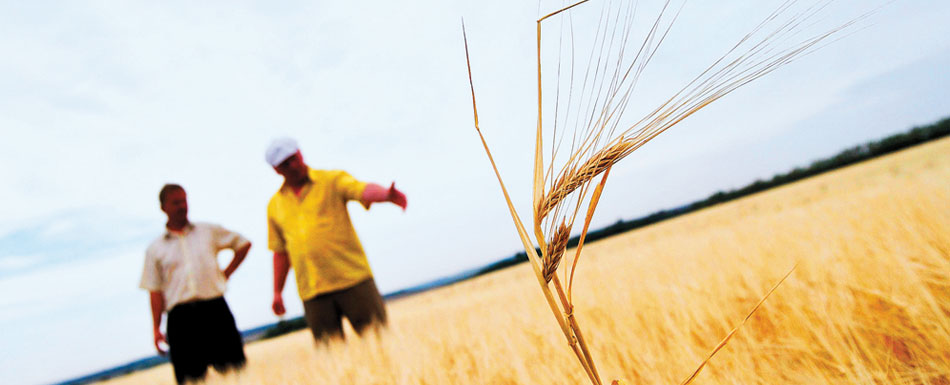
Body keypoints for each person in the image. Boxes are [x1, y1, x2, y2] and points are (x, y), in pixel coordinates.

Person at [265, 137, 407, 341]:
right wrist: (277, 292)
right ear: (277, 170)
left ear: (300, 153)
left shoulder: (331, 180)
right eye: (286, 164)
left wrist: (385, 194)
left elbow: (360, 189)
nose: (294, 165)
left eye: (294, 158)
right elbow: (280, 251)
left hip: (352, 279)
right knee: (330, 356)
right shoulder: (274, 205)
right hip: (312, 290)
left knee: (381, 342)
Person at [139, 184, 252, 384]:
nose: (182, 206)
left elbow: (243, 244)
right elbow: (155, 291)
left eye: (184, 200)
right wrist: (156, 328)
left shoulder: (208, 231)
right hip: (181, 320)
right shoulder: (155, 249)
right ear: (163, 207)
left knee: (237, 373)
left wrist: (226, 274)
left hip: (215, 310)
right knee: (190, 379)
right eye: (176, 202)